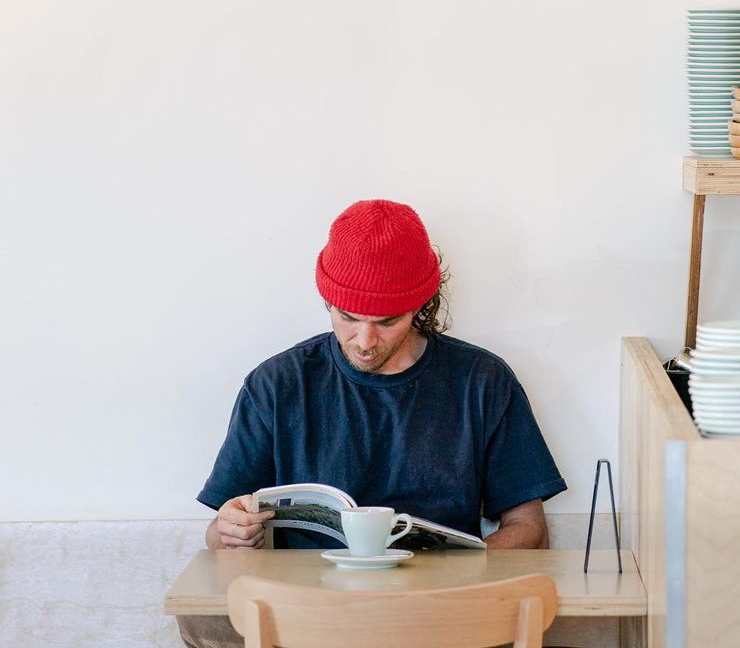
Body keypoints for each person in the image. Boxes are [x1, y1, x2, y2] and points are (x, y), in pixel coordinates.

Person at [178, 198, 565, 648]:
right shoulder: (278, 384)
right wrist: (230, 532)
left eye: (387, 321)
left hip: (443, 613)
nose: (364, 341)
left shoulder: (481, 381)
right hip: (312, 618)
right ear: (328, 301)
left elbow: (530, 526)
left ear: (421, 304)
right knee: (200, 621)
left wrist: (458, 569)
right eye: (348, 317)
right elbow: (218, 536)